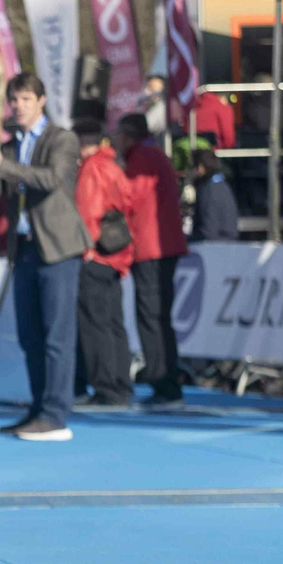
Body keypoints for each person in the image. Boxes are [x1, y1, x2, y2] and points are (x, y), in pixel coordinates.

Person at [0, 72, 90, 442]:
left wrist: (0, 165)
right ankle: (38, 409)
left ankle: (55, 414)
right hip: (23, 248)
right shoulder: (10, 146)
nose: (18, 106)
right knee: (30, 336)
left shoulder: (62, 139)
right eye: (14, 100)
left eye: (25, 99)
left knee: (57, 336)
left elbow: (52, 179)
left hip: (57, 247)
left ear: (41, 101)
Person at [112, 113, 189, 410]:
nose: (115, 140)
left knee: (153, 318)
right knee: (156, 318)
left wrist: (112, 185)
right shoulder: (150, 155)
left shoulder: (143, 157)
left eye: (119, 134)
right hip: (158, 246)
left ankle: (165, 385)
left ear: (128, 135)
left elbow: (131, 197)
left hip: (152, 248)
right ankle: (165, 382)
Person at [70, 118, 136, 409]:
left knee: (95, 324)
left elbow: (88, 211)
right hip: (116, 255)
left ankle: (106, 388)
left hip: (96, 255)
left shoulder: (92, 168)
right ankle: (120, 385)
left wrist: (85, 248)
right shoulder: (112, 165)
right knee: (113, 323)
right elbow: (128, 203)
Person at [189, 149, 239, 243]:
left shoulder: (207, 190)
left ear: (200, 168)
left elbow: (208, 230)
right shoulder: (222, 185)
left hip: (214, 244)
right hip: (227, 240)